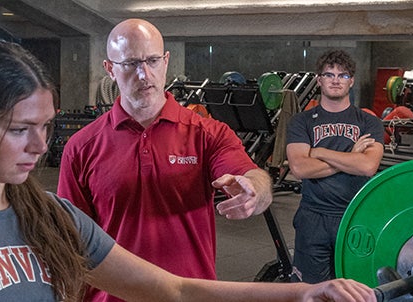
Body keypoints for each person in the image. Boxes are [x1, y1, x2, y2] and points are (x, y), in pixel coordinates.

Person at [0, 39, 376, 302]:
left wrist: (303, 292)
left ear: (166, 62)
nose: (40, 147)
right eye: (21, 129)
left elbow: (176, 290)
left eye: (45, 127)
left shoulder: (47, 214)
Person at [57, 18, 274, 301]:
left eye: (152, 61)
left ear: (166, 61)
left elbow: (255, 178)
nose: (145, 74)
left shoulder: (207, 134)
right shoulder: (82, 147)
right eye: (131, 63)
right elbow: (70, 241)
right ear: (110, 69)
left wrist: (254, 191)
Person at [285, 50, 385, 284]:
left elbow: (368, 166)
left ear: (351, 81)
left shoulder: (369, 122)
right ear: (319, 80)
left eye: (343, 75)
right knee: (310, 291)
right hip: (313, 217)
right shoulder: (302, 122)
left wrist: (319, 152)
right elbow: (299, 168)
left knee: (355, 289)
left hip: (355, 216)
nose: (336, 80)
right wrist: (350, 156)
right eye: (329, 74)